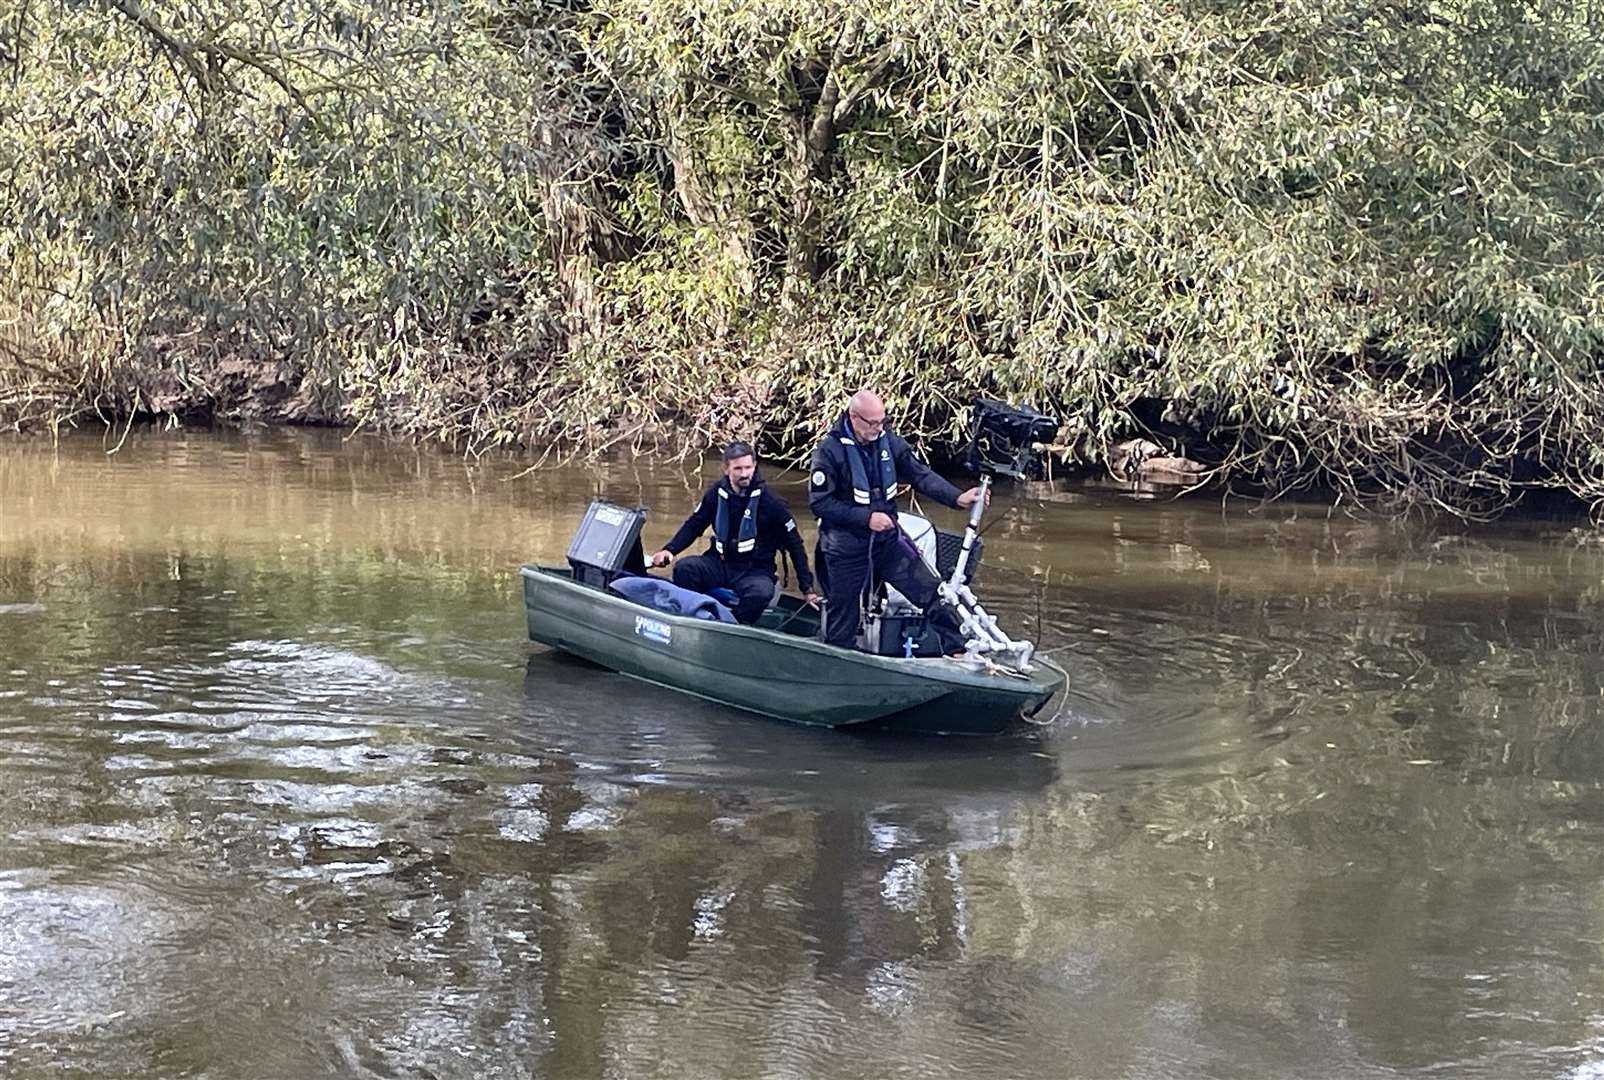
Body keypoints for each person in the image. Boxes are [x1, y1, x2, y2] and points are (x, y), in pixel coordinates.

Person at [808, 389, 986, 651]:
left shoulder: (889, 443)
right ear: (853, 417)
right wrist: (866, 518)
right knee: (844, 615)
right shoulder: (828, 453)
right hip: (846, 547)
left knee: (931, 593)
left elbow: (920, 475)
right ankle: (840, 661)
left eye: (883, 421)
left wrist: (957, 498)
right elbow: (821, 504)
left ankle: (958, 649)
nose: (879, 428)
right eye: (872, 423)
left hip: (887, 542)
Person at [646, 441, 821, 625]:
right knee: (685, 569)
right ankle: (695, 618)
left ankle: (733, 626)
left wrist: (807, 589)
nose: (744, 474)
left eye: (748, 467)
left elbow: (795, 545)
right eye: (738, 469)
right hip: (720, 562)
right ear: (726, 469)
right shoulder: (716, 493)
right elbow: (694, 525)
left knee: (760, 593)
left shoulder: (772, 502)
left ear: (754, 466)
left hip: (755, 570)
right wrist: (669, 550)